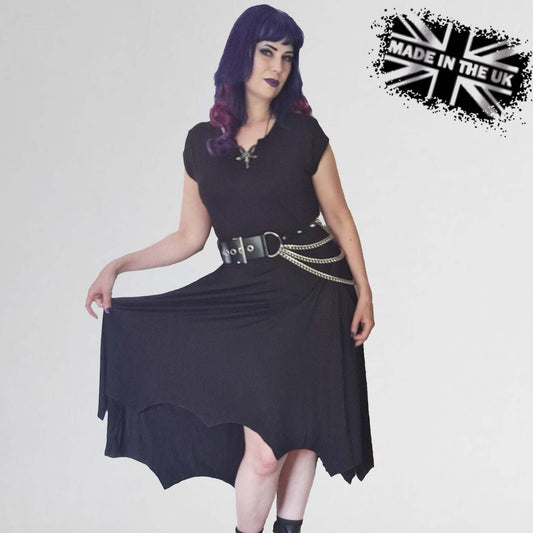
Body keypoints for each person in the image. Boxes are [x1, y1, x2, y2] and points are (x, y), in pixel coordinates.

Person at [86, 4, 375, 533]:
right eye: (267, 51)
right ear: (241, 54)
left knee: (300, 434)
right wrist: (118, 266)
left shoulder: (305, 135)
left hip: (313, 290)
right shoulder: (201, 143)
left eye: (288, 56)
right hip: (244, 298)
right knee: (264, 452)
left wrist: (365, 292)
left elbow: (338, 216)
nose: (278, 66)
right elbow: (189, 237)